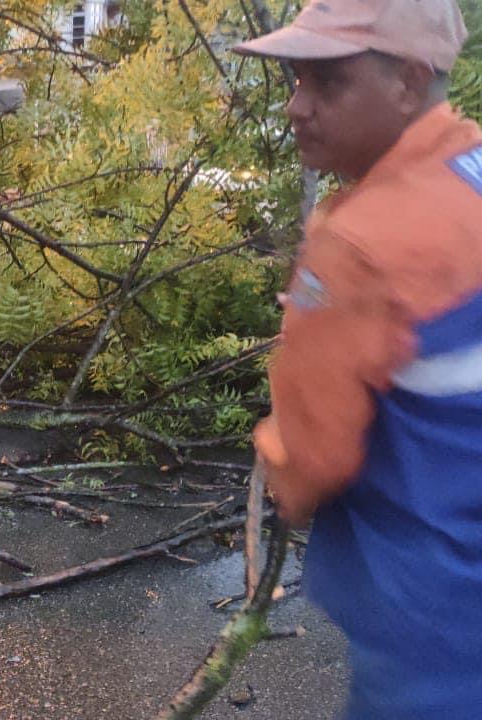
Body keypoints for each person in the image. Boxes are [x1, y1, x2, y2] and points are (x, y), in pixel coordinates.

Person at [233, 0, 481, 717]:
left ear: (407, 81)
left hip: (438, 628)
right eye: (296, 81)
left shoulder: (360, 247)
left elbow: (312, 464)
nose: (296, 108)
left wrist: (276, 453)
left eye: (326, 84)